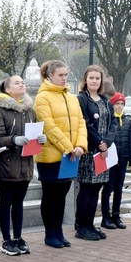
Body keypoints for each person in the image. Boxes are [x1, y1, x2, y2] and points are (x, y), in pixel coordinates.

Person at [34, 60, 87, 247]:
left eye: (66, 75)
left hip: (70, 155)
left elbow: (81, 122)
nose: (64, 78)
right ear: (50, 76)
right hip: (51, 156)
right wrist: (68, 147)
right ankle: (50, 234)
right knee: (50, 195)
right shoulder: (43, 97)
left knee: (62, 194)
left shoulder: (72, 98)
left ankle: (59, 232)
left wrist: (80, 145)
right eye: (60, 75)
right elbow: (49, 126)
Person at [0, 74, 45, 256]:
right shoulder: (1, 111)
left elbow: (34, 131)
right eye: (17, 83)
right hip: (7, 164)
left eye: (22, 82)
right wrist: (14, 139)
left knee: (19, 203)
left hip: (25, 164)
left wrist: (40, 139)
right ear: (7, 90)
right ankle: (6, 240)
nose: (21, 84)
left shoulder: (29, 110)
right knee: (6, 203)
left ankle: (18, 237)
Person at [75, 65, 117, 241]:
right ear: (85, 80)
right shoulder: (82, 99)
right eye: (91, 78)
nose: (94, 81)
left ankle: (91, 224)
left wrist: (106, 142)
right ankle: (81, 226)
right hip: (89, 151)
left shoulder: (105, 101)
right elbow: (84, 123)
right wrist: (99, 142)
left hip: (103, 152)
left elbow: (113, 124)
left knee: (96, 189)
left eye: (97, 78)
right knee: (86, 188)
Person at [101, 93, 131, 229]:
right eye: (117, 104)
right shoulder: (109, 120)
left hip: (122, 159)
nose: (120, 106)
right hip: (111, 160)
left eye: (122, 104)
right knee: (108, 188)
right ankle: (106, 216)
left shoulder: (128, 121)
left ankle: (116, 215)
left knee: (119, 189)